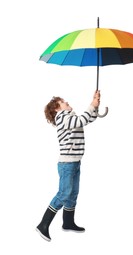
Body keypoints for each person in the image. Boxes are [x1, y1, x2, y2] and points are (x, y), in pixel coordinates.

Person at [36, 90, 101, 241]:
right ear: (57, 109)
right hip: (67, 163)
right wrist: (91, 105)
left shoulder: (70, 116)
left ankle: (68, 222)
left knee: (73, 193)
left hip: (75, 161)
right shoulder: (62, 118)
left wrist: (95, 104)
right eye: (63, 102)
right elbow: (80, 121)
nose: (67, 102)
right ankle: (43, 224)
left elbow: (88, 119)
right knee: (64, 193)